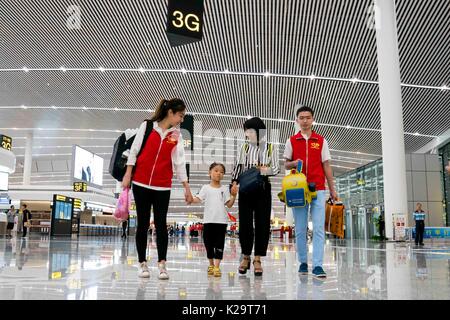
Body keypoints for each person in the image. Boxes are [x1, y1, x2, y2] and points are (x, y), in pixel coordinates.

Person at [122, 98, 193, 280]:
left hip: (162, 186)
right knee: (143, 223)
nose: (181, 119)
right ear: (170, 113)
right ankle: (142, 263)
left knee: (161, 225)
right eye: (180, 115)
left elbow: (179, 162)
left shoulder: (176, 135)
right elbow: (135, 150)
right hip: (141, 183)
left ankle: (162, 264)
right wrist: (128, 174)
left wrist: (186, 187)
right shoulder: (147, 127)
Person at [284, 106, 337, 279]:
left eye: (308, 117)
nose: (305, 120)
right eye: (302, 118)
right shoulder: (292, 140)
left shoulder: (321, 141)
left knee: (319, 228)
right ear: (297, 120)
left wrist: (332, 189)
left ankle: (318, 266)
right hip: (298, 189)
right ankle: (303, 262)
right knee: (300, 229)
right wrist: (294, 163)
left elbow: (326, 165)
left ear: (313, 119)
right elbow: (286, 164)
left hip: (319, 188)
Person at [231, 117, 280, 276]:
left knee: (262, 224)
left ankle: (257, 258)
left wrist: (261, 170)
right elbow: (237, 168)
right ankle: (245, 256)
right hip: (245, 189)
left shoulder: (271, 147)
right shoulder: (243, 147)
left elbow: (276, 169)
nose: (247, 133)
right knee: (245, 223)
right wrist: (233, 184)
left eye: (250, 130)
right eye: (246, 131)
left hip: (263, 189)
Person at [190, 162, 237, 277]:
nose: (219, 173)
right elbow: (198, 199)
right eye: (216, 170)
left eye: (221, 172)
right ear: (209, 173)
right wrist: (190, 198)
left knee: (219, 244)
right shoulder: (205, 188)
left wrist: (234, 196)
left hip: (221, 221)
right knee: (208, 243)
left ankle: (216, 267)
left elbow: (229, 205)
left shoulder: (225, 189)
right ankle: (211, 264)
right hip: (208, 220)